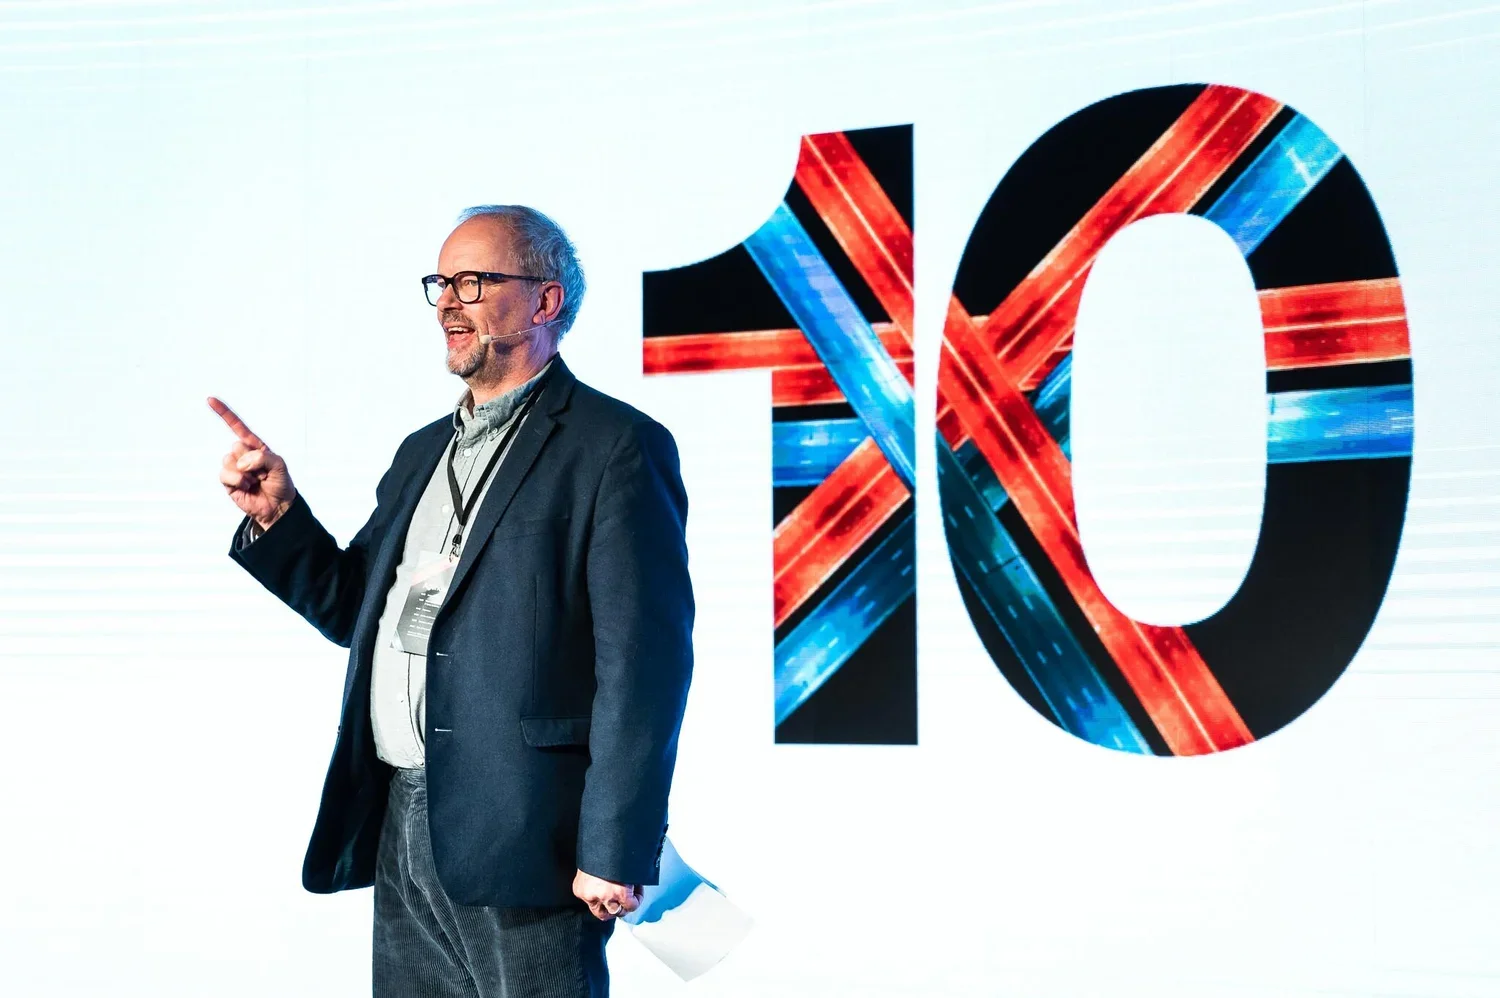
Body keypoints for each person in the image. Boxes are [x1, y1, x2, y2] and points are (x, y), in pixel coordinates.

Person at [209, 205, 694, 997]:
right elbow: (355, 610)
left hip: (528, 824)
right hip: (404, 814)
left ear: (545, 301)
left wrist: (615, 841)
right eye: (441, 282)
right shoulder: (421, 451)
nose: (447, 303)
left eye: (474, 280)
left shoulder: (614, 446)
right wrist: (276, 517)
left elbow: (645, 664)